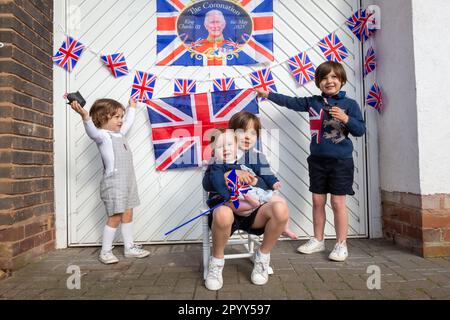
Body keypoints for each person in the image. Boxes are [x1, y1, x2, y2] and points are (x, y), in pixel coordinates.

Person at [255, 61, 366, 262]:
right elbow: (289, 101)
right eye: (324, 78)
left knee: (338, 202)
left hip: (341, 162)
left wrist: (345, 118)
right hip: (317, 161)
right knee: (317, 201)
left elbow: (360, 130)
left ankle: (341, 244)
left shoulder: (350, 105)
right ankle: (318, 239)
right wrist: (268, 94)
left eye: (333, 77)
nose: (329, 81)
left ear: (341, 80)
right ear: (318, 82)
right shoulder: (313, 102)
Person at [70, 98, 150, 264]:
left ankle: (129, 248)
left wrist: (132, 107)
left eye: (121, 116)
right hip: (114, 182)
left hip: (128, 180)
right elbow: (91, 130)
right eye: (116, 117)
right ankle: (105, 251)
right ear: (102, 118)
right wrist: (85, 115)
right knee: (115, 216)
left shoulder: (119, 134)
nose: (121, 120)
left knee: (128, 212)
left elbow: (128, 122)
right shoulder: (103, 137)